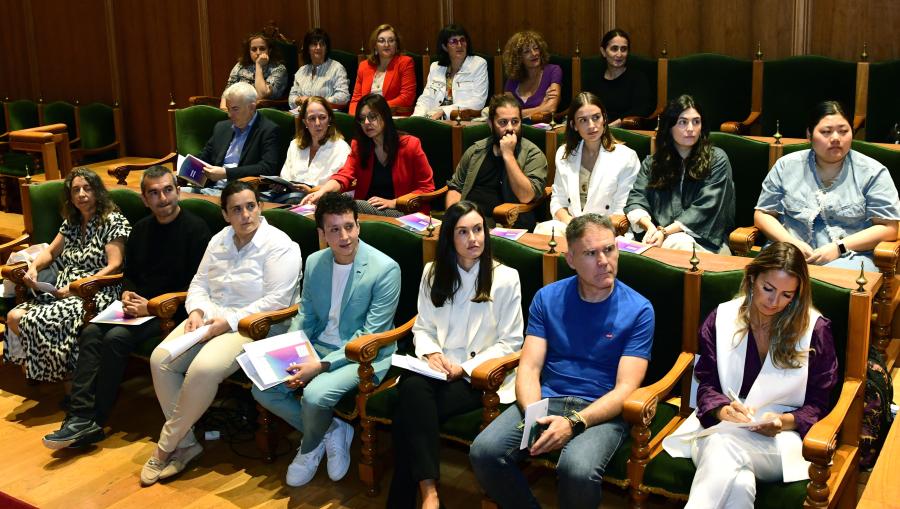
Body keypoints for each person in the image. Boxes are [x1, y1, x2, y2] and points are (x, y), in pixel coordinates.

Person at [469, 214, 654, 509]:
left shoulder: (639, 309)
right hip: (548, 399)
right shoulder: (547, 298)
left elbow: (625, 389)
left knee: (577, 469)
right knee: (485, 451)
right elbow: (529, 367)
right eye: (591, 253)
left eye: (609, 249)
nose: (604, 260)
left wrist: (573, 423)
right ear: (571, 259)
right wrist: (535, 417)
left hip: (601, 411)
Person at [141, 180, 301, 486]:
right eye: (236, 210)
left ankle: (164, 449)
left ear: (260, 207)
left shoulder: (280, 245)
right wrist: (197, 312)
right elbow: (199, 283)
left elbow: (275, 302)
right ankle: (186, 444)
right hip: (209, 318)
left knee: (204, 368)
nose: (245, 215)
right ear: (225, 214)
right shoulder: (219, 240)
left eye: (251, 206)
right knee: (159, 359)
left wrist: (225, 323)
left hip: (253, 325)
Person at [41, 166, 211, 450]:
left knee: (116, 339)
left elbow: (198, 284)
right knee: (93, 331)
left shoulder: (197, 230)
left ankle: (95, 419)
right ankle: (80, 415)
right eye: (154, 193)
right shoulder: (142, 229)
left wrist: (151, 307)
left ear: (178, 192)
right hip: (136, 309)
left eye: (168, 190)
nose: (163, 198)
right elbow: (130, 272)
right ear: (145, 199)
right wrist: (130, 294)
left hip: (173, 310)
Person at [661, 242, 838, 508]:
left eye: (787, 295)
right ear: (752, 277)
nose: (774, 302)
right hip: (718, 425)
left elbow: (819, 403)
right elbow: (706, 382)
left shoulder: (814, 329)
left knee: (724, 445)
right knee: (739, 484)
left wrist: (782, 421)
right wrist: (721, 411)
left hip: (780, 441)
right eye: (768, 289)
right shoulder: (722, 317)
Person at [252, 192, 401, 487]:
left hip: (364, 354)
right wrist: (291, 352)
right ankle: (332, 429)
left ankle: (308, 449)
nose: (344, 236)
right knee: (263, 388)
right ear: (322, 233)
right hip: (317, 346)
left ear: (358, 225)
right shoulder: (316, 261)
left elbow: (370, 334)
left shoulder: (385, 269)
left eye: (349, 226)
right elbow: (306, 315)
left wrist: (317, 365)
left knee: (315, 395)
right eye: (334, 229)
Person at [386, 201, 524, 509]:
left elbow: (511, 343)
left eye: (478, 230)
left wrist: (464, 368)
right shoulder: (431, 273)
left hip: (481, 376)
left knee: (407, 412)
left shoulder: (506, 278)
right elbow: (422, 328)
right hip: (436, 369)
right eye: (463, 232)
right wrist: (433, 353)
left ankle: (422, 496)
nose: (473, 238)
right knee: (413, 390)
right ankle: (429, 494)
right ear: (450, 238)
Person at [4, 168, 130, 384]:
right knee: (14, 317)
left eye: (87, 188)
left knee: (36, 319)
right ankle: (54, 370)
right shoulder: (72, 222)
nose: (81, 194)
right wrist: (33, 267)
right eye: (75, 190)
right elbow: (51, 252)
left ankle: (69, 378)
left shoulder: (113, 221)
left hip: (96, 291)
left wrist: (76, 287)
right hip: (62, 290)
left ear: (97, 192)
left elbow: (115, 265)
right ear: (70, 197)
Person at [754, 100, 900, 271]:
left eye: (844, 131)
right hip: (789, 254)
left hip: (851, 257)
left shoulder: (873, 172)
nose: (836, 138)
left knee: (833, 282)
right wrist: (791, 243)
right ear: (809, 135)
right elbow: (763, 214)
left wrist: (839, 247)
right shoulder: (786, 166)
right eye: (826, 132)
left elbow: (889, 228)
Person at [625, 94, 735, 253]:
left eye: (696, 122)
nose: (691, 129)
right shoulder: (653, 163)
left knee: (678, 243)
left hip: (708, 243)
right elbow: (636, 197)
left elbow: (706, 207)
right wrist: (649, 227)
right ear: (669, 126)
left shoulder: (717, 159)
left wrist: (665, 232)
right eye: (683, 122)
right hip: (658, 238)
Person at [301, 94, 434, 216]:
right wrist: (322, 192)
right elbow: (344, 175)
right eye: (362, 118)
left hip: (403, 211)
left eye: (372, 117)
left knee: (349, 206)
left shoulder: (410, 145)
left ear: (385, 116)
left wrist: (393, 202)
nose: (366, 123)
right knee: (331, 204)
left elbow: (427, 188)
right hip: (367, 211)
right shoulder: (359, 146)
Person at [536, 92, 640, 235]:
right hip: (573, 227)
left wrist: (590, 232)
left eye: (596, 118)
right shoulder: (564, 154)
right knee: (545, 230)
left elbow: (622, 209)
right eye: (583, 120)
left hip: (609, 231)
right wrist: (570, 222)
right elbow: (558, 200)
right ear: (574, 125)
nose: (591, 126)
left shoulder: (626, 157)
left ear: (604, 119)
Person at [446, 93, 547, 230]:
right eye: (503, 122)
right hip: (468, 221)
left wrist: (508, 155)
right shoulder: (476, 150)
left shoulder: (533, 154)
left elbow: (526, 196)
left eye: (515, 122)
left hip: (507, 224)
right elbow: (456, 188)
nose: (510, 128)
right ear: (490, 124)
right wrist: (454, 219)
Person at [193, 82, 281, 195]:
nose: (230, 115)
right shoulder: (221, 127)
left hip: (242, 193)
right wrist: (187, 165)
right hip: (211, 188)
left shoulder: (268, 130)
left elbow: (267, 168)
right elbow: (204, 157)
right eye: (228, 109)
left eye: (235, 109)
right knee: (179, 194)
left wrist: (227, 173)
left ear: (252, 107)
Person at [267, 96, 351, 204]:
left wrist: (312, 191)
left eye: (322, 117)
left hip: (323, 203)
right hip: (290, 198)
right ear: (305, 122)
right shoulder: (295, 145)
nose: (317, 123)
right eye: (312, 118)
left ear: (329, 119)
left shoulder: (341, 148)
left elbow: (344, 188)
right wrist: (281, 186)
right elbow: (286, 177)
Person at [413, 24, 489, 120]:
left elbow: (478, 101)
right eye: (454, 41)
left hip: (461, 120)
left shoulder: (478, 64)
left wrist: (445, 111)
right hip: (434, 118)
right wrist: (416, 118)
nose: (459, 45)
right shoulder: (435, 67)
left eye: (462, 40)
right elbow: (426, 98)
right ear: (445, 47)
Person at [349, 24, 416, 116]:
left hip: (393, 116)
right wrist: (354, 118)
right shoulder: (364, 66)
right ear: (375, 46)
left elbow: (407, 97)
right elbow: (356, 99)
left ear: (396, 44)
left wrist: (376, 109)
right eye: (381, 41)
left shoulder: (405, 62)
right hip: (366, 117)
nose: (386, 44)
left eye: (391, 41)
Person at [592, 28, 652, 127]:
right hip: (596, 130)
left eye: (623, 49)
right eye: (614, 49)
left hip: (627, 131)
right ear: (603, 52)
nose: (619, 54)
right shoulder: (594, 79)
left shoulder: (638, 79)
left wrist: (615, 125)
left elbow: (642, 110)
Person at [502, 30, 562, 120]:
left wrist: (518, 114)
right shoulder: (513, 78)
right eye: (527, 52)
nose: (534, 54)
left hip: (543, 128)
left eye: (536, 48)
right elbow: (507, 112)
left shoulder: (553, 71)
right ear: (518, 58)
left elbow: (551, 108)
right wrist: (541, 107)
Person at [219, 32, 288, 109]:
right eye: (254, 49)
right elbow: (228, 89)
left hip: (263, 110)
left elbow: (262, 94)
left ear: (269, 50)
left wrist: (258, 65)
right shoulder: (240, 65)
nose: (258, 53)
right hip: (237, 109)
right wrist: (224, 109)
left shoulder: (279, 69)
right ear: (249, 52)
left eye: (262, 49)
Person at [287, 28, 350, 109]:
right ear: (308, 48)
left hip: (326, 115)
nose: (318, 47)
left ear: (326, 49)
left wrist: (314, 101)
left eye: (322, 44)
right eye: (314, 44)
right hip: (302, 115)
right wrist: (298, 100)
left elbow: (343, 97)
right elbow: (291, 98)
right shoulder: (301, 71)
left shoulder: (337, 68)